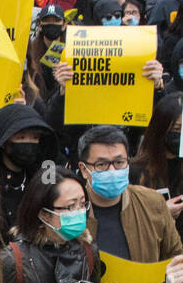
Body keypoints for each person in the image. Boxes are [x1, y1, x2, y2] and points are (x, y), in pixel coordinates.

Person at [78, 124, 179, 261]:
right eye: (101, 165)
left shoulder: (152, 203)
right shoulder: (71, 212)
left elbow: (176, 257)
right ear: (84, 169)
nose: (112, 170)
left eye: (119, 162)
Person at [0, 105, 59, 238]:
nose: (29, 143)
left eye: (35, 138)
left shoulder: (43, 178)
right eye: (21, 137)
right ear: (4, 142)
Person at [130, 93, 183, 238]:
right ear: (161, 129)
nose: (180, 135)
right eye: (177, 129)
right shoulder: (136, 171)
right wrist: (161, 214)